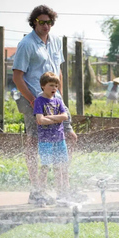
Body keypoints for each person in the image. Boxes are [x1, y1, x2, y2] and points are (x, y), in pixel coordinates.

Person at [12, 5, 77, 206]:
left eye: (48, 22)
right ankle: (36, 190)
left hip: (55, 101)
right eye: (41, 22)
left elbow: (58, 73)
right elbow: (17, 77)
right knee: (34, 142)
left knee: (69, 137)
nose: (45, 25)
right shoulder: (26, 44)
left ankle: (63, 187)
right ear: (34, 22)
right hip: (33, 99)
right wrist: (33, 100)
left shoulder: (56, 41)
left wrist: (60, 100)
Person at [33, 72, 72, 207]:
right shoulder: (39, 101)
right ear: (43, 86)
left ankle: (60, 194)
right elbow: (40, 120)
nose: (54, 88)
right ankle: (41, 194)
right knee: (45, 167)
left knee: (59, 167)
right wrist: (57, 117)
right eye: (51, 85)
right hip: (46, 141)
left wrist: (49, 118)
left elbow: (65, 117)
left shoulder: (58, 101)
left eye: (56, 85)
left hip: (60, 139)